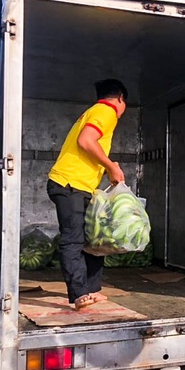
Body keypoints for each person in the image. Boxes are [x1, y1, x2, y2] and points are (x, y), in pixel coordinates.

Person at [47, 79, 128, 310]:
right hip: (68, 183)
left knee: (94, 238)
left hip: (81, 186)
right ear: (120, 98)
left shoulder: (96, 112)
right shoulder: (107, 110)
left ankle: (93, 289)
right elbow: (86, 140)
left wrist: (109, 165)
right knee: (73, 239)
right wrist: (111, 166)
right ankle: (79, 294)